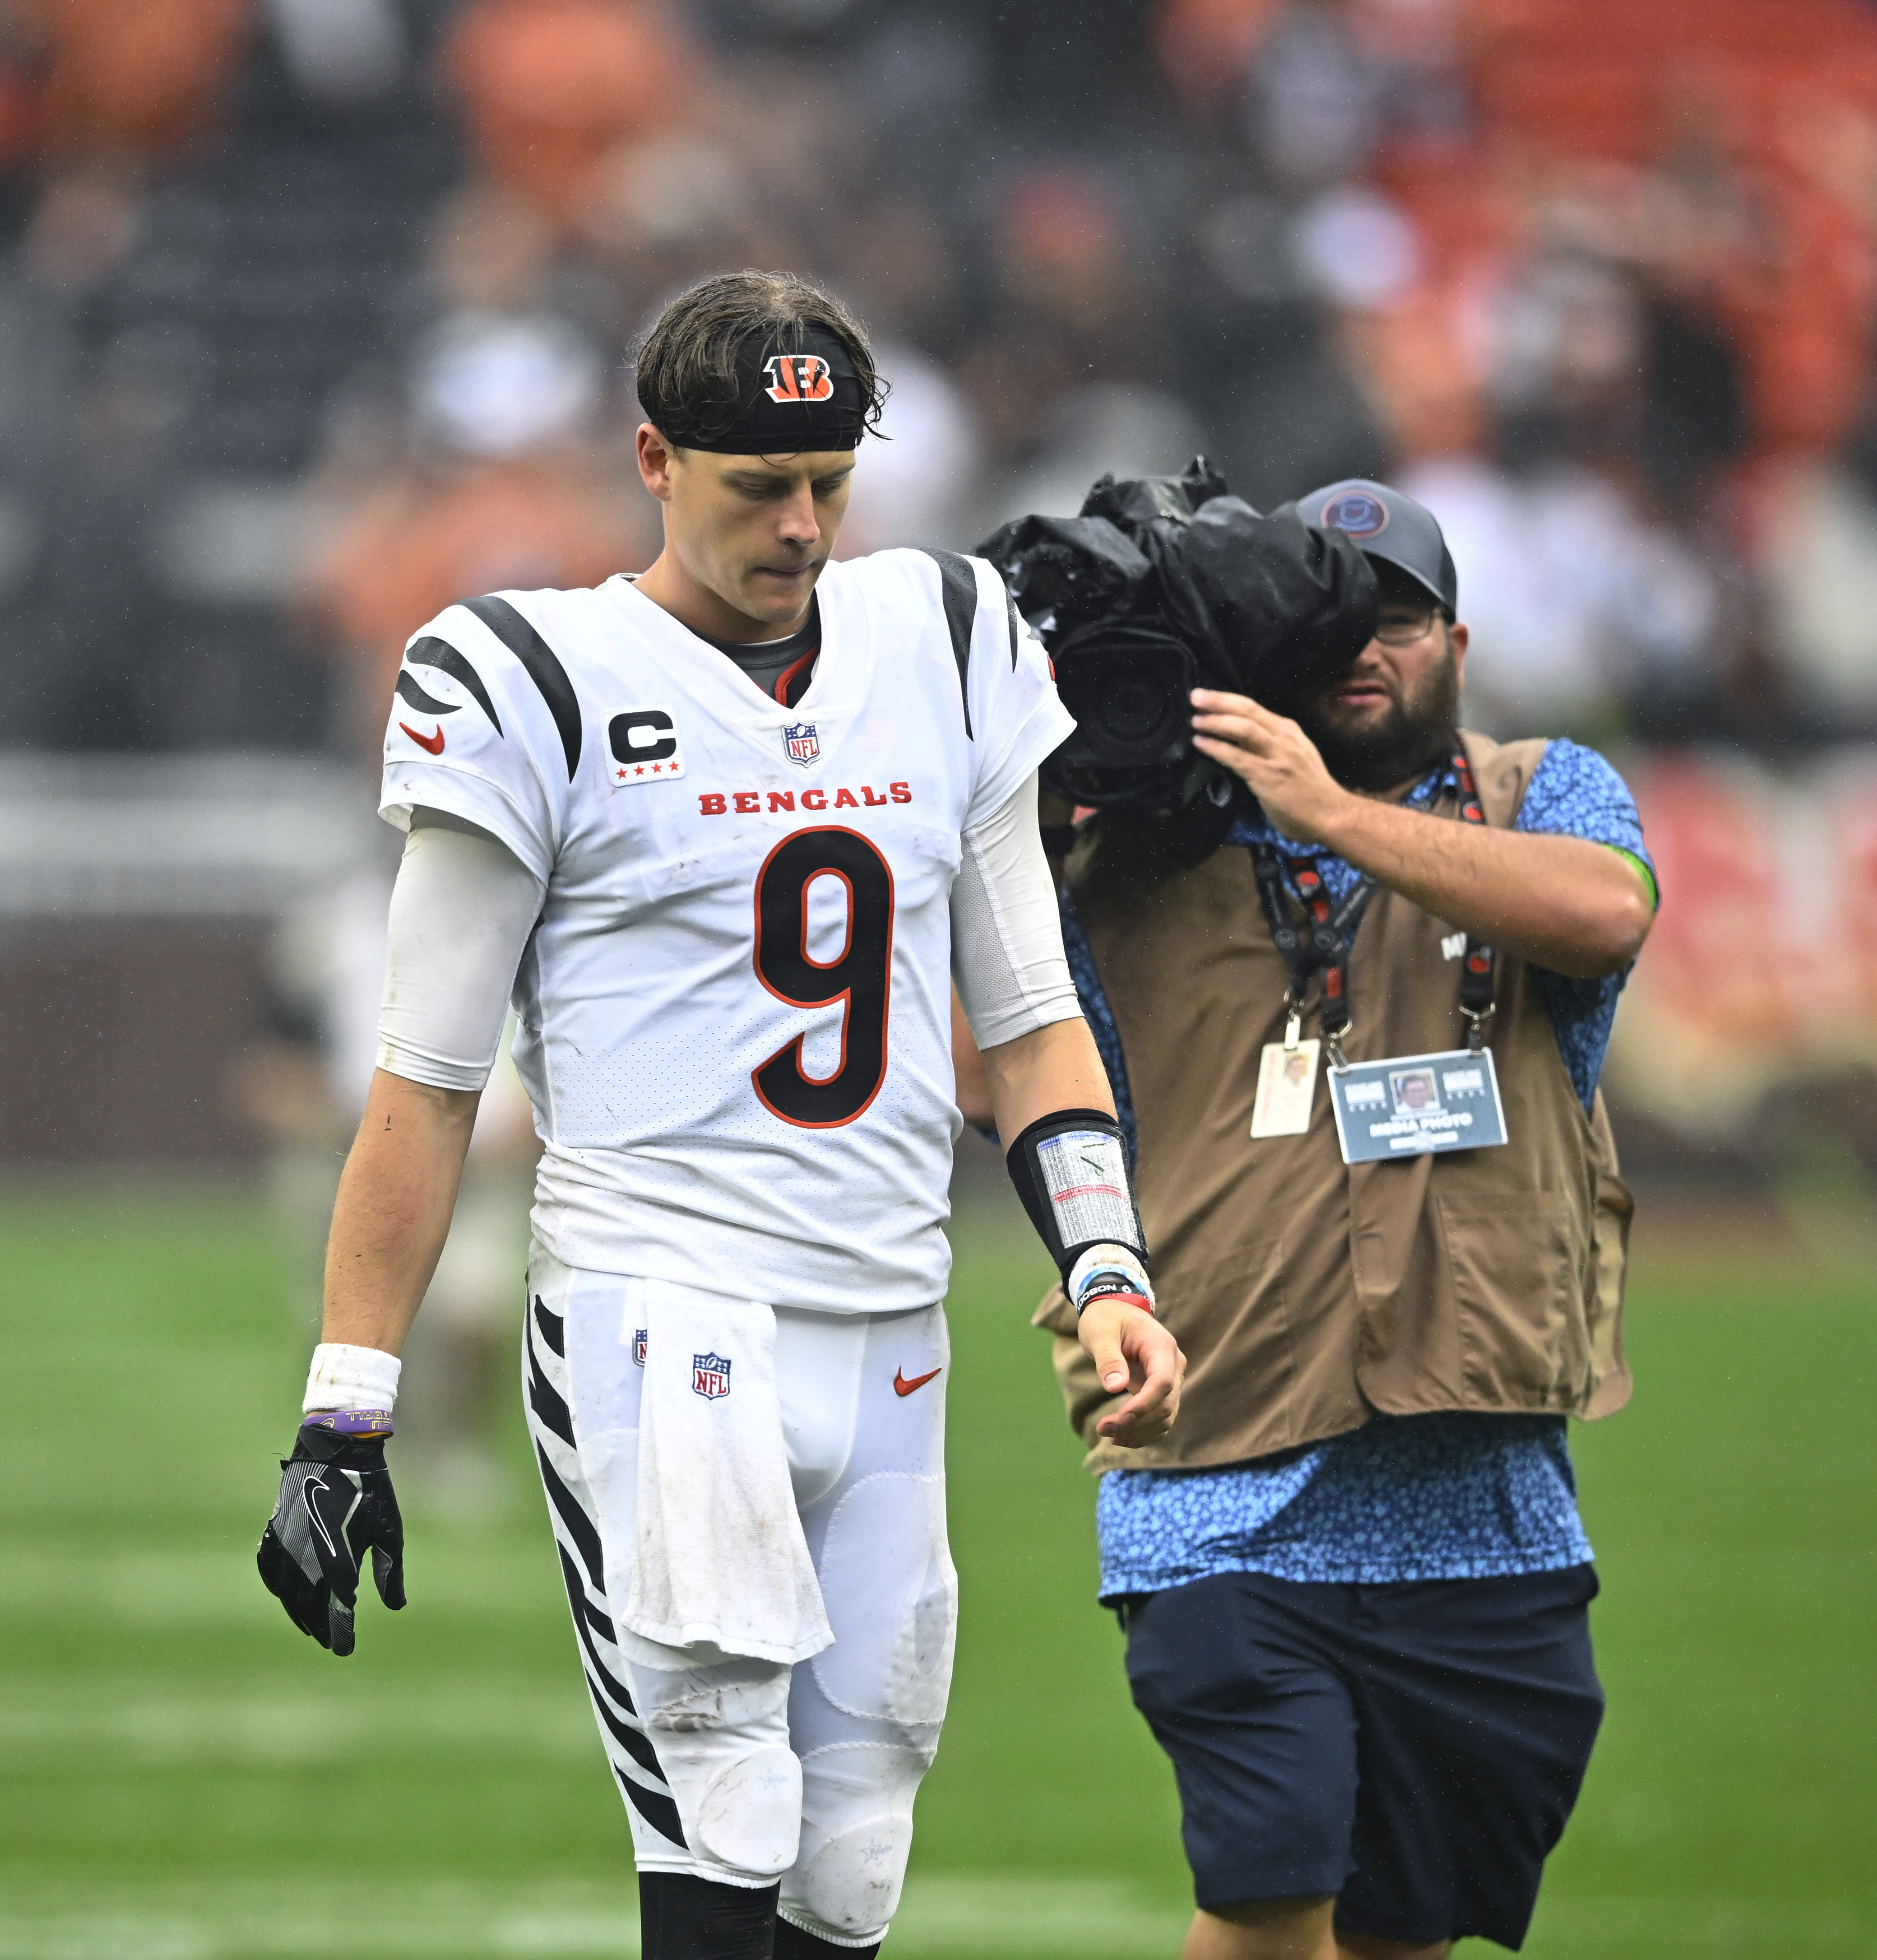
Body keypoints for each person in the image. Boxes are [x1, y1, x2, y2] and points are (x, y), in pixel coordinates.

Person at [255, 271, 1186, 1960]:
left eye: (832, 479)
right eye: (760, 483)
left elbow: (1033, 1020)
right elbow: (427, 1083)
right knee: (724, 1815)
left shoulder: (948, 639)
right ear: (655, 460)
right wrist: (346, 1411)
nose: (805, 524)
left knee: (855, 1866)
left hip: (893, 1316)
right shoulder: (530, 675)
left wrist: (1110, 1264)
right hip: (656, 1316)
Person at [1034, 479, 1655, 1960]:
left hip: (1488, 1512)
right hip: (1219, 1486)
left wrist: (1328, 814)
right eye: (1333, 625)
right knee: (1264, 1893)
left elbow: (1608, 913)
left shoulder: (1543, 787)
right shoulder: (1142, 842)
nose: (1369, 650)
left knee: (1405, 1930)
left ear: (1458, 638)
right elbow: (999, 1055)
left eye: (1401, 621)